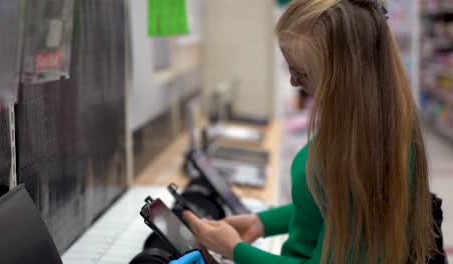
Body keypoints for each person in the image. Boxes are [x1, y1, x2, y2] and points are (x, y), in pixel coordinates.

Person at [184, 0, 437, 263]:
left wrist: (236, 250)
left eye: (301, 73)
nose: (293, 82)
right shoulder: (362, 125)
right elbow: (327, 207)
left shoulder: (364, 154)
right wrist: (262, 222)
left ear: (342, 74)